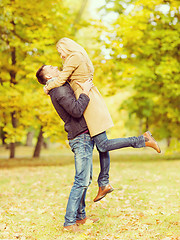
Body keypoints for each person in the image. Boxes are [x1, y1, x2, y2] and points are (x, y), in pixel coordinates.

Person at [43, 38, 161, 202]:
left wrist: (47, 87)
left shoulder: (74, 57)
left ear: (65, 47)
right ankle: (103, 183)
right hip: (89, 100)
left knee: (103, 144)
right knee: (102, 144)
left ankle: (142, 140)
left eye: (60, 51)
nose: (60, 56)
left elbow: (61, 80)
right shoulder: (78, 56)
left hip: (88, 103)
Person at [36, 65, 99, 232]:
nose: (56, 66)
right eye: (51, 67)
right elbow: (77, 111)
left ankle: (80, 217)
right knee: (81, 181)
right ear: (48, 75)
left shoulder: (58, 87)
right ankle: (69, 223)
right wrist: (85, 92)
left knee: (86, 179)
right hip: (80, 137)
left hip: (83, 135)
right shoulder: (59, 91)